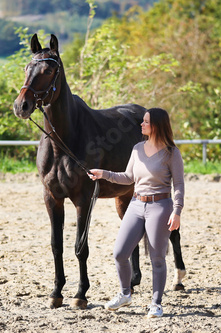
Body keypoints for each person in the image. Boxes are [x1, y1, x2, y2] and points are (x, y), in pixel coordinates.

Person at [88, 107, 185, 318]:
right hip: (136, 204)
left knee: (157, 258)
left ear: (157, 125)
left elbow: (178, 185)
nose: (141, 124)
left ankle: (156, 303)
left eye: (146, 122)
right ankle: (125, 294)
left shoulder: (171, 153)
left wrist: (176, 211)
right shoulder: (137, 149)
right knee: (120, 253)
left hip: (160, 207)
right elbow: (127, 177)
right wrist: (102, 174)